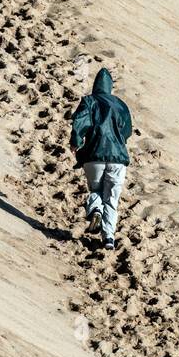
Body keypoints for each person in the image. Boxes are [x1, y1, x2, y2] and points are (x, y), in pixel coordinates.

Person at [70, 66, 132, 249]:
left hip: (93, 156)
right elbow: (127, 131)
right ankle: (109, 239)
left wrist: (75, 141)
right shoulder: (121, 105)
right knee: (112, 199)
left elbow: (80, 122)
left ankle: (95, 210)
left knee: (95, 189)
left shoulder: (89, 101)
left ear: (95, 86)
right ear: (110, 87)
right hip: (118, 159)